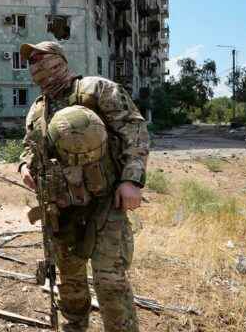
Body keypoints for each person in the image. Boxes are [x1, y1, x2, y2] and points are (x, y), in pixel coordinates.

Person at [18, 41, 149, 332]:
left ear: (60, 60)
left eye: (42, 57)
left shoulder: (96, 90)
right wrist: (25, 166)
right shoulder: (38, 109)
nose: (36, 64)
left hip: (104, 203)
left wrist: (131, 179)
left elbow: (134, 130)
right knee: (71, 284)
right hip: (61, 209)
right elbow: (30, 147)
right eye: (31, 60)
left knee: (110, 281)